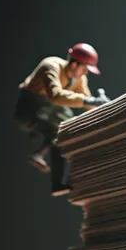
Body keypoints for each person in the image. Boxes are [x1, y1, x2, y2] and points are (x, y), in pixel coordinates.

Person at [15, 44, 109, 197]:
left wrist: (105, 108)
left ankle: (58, 182)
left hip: (52, 107)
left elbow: (87, 101)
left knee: (70, 128)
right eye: (84, 69)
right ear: (74, 64)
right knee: (56, 128)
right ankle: (39, 153)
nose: (85, 73)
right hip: (31, 108)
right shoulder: (51, 66)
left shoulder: (79, 79)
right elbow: (56, 95)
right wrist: (92, 100)